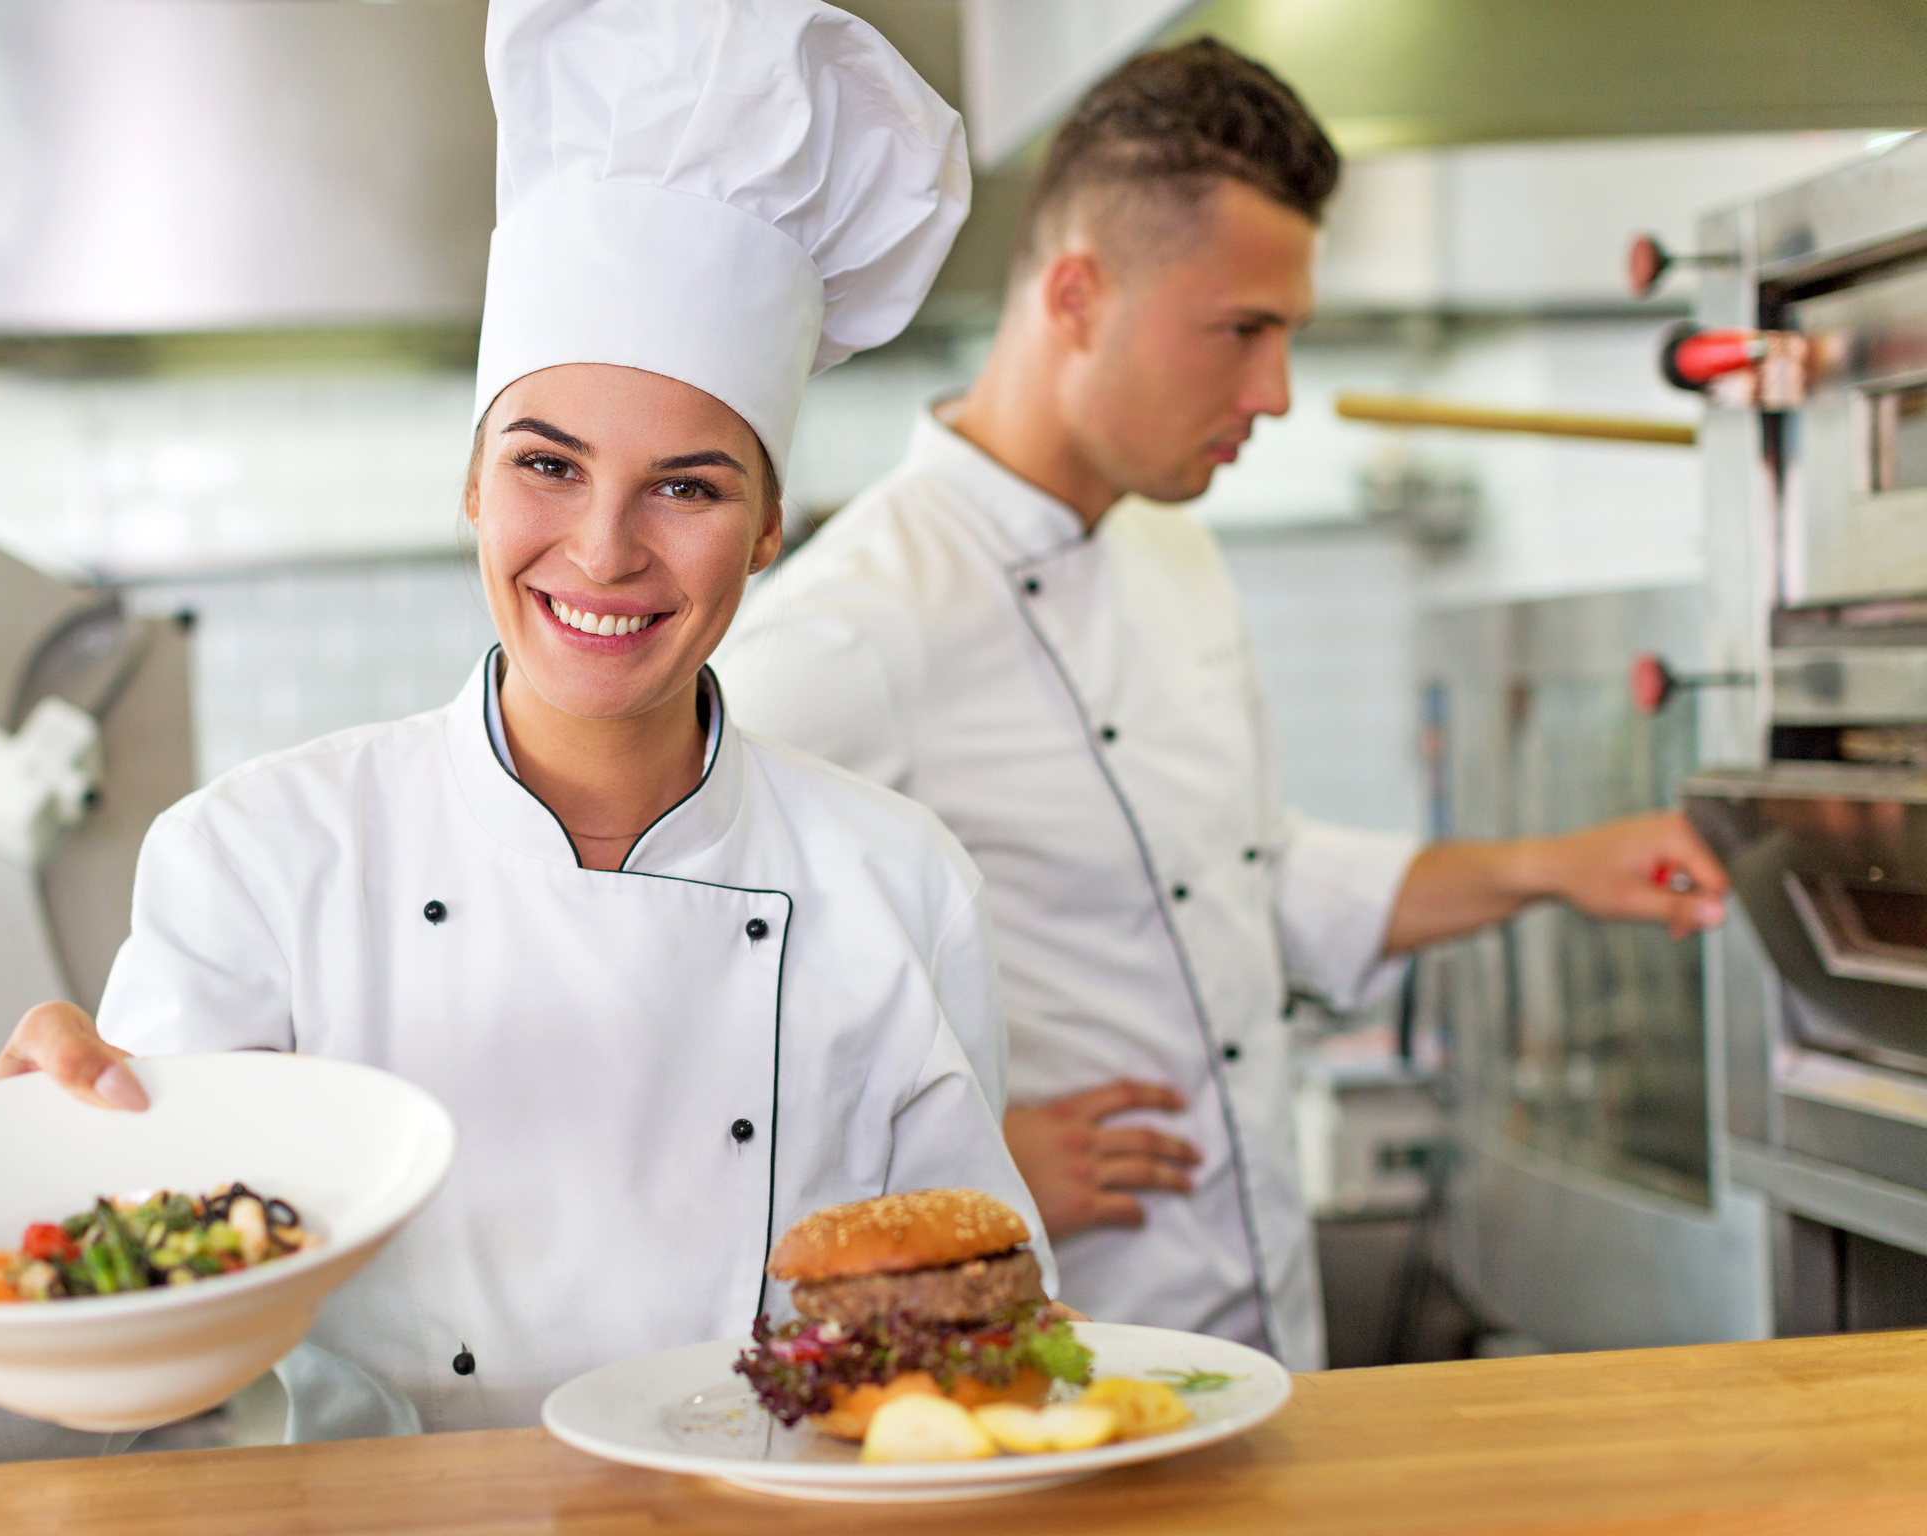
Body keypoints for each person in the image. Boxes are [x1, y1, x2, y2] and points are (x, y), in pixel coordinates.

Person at [0, 0, 1046, 1434]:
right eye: (548, 466)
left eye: (689, 485)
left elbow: (975, 1347)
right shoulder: (258, 861)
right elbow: (123, 1386)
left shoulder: (897, 883)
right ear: (472, 483)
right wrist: (36, 1187)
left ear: (773, 528)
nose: (604, 550)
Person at [712, 38, 1731, 1371]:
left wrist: (1555, 866)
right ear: (1076, 294)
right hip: (1048, 1379)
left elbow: (1253, 876)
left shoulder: (1171, 548)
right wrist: (938, 1168)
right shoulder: (851, 627)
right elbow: (696, 1021)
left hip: (1262, 1349)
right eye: (1242, 332)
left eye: (1289, 335)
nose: (1276, 394)